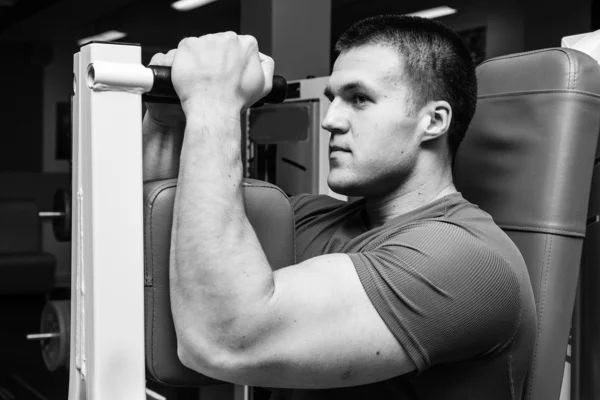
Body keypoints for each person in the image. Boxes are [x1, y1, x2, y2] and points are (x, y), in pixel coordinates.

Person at [143, 15, 536, 400]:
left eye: (359, 99)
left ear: (433, 121)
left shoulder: (466, 262)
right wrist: (167, 123)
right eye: (334, 99)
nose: (330, 121)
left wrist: (214, 104)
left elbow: (226, 340)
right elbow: (146, 247)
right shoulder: (309, 217)